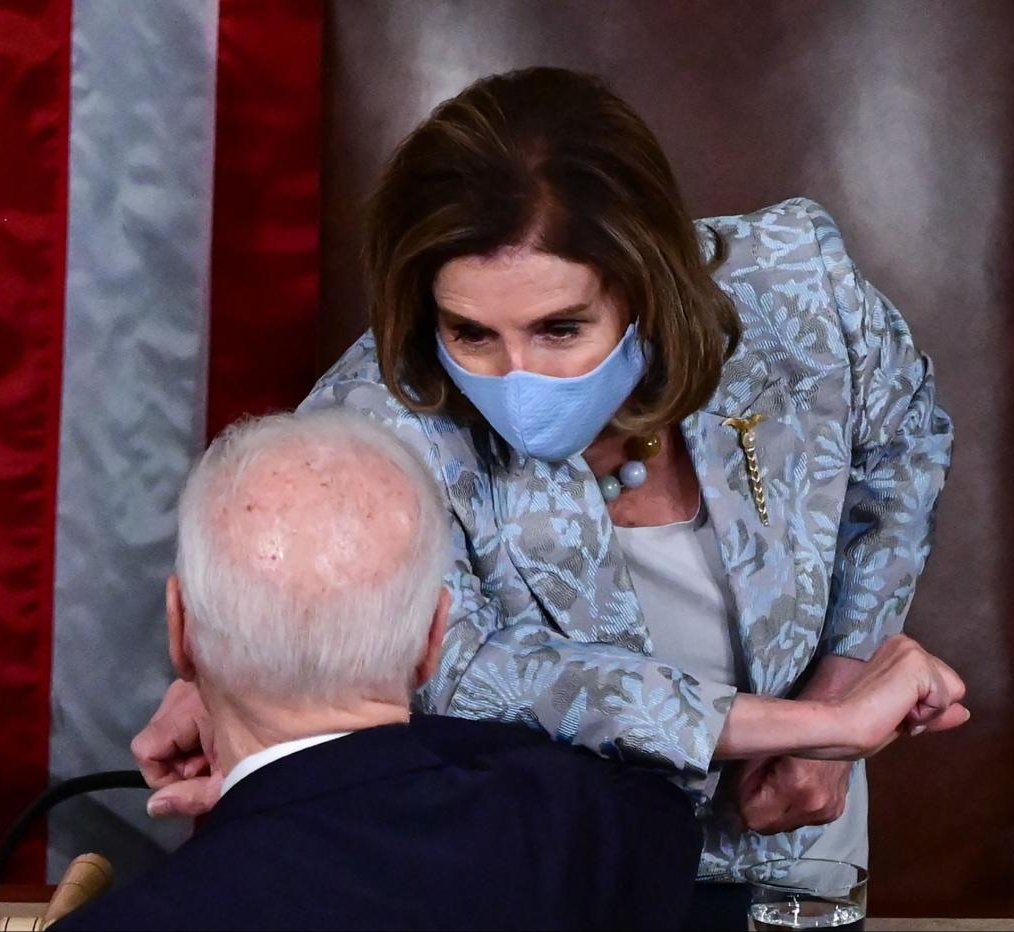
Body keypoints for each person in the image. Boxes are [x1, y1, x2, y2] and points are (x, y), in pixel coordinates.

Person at [133, 67, 967, 928]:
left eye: (561, 327)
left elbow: (903, 448)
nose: (518, 376)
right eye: (471, 332)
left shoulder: (795, 286)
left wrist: (838, 689)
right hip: (546, 886)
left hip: (804, 860)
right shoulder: (371, 423)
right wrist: (806, 728)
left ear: (646, 285)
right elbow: (476, 667)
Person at [56, 409, 706, 931]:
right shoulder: (580, 831)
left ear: (180, 630)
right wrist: (393, 751)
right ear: (431, 638)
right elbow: (661, 812)